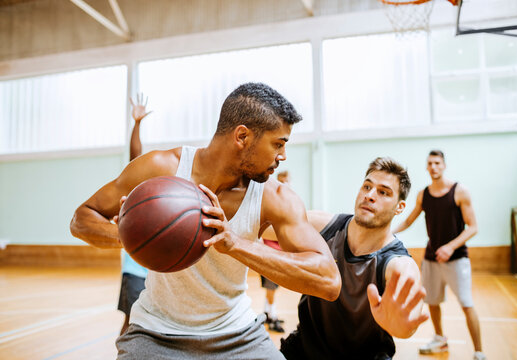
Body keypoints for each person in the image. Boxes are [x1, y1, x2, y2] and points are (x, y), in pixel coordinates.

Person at [70, 82, 341, 360]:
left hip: (238, 333)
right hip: (155, 332)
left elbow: (329, 281)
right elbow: (81, 218)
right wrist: (129, 235)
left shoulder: (274, 197)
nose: (282, 156)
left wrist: (235, 244)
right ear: (242, 137)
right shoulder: (162, 168)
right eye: (278, 144)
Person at [268, 157, 429, 359]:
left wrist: (402, 327)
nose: (370, 195)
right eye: (367, 186)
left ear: (399, 207)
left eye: (383, 192)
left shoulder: (398, 265)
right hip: (305, 350)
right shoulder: (325, 226)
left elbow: (408, 321)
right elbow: (262, 227)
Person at [393, 150, 485, 360]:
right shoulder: (422, 194)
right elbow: (408, 221)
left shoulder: (460, 191)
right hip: (431, 258)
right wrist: (388, 232)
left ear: (443, 165)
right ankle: (440, 339)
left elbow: (473, 227)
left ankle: (479, 351)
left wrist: (451, 247)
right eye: (430, 163)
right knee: (432, 302)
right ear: (427, 167)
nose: (433, 167)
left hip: (457, 258)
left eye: (437, 163)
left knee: (467, 303)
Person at [117, 94, 152, 335]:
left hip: (157, 272)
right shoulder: (138, 190)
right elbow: (135, 158)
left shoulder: (170, 200)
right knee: (131, 324)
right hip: (135, 270)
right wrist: (137, 124)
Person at [260, 170, 290, 333]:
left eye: (288, 181)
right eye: (282, 181)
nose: (286, 184)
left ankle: (267, 312)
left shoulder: (287, 204)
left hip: (279, 254)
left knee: (272, 289)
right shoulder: (272, 203)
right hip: (270, 254)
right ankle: (272, 317)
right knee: (271, 288)